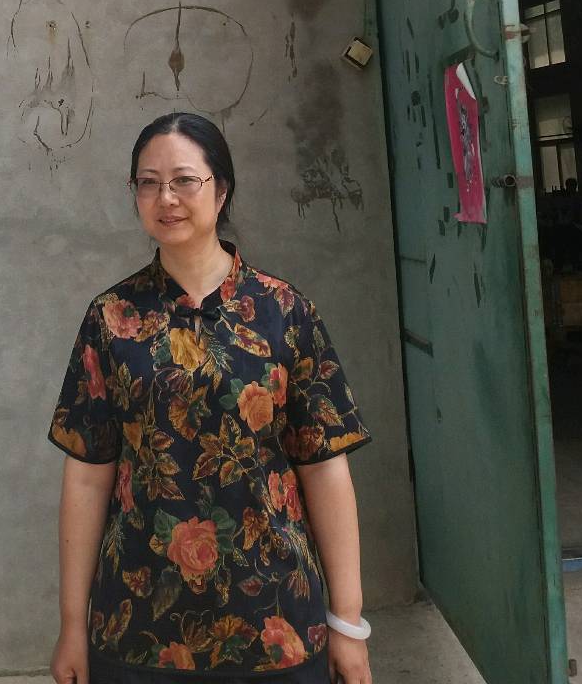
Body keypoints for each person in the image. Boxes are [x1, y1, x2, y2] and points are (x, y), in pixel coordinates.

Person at [48, 114, 372, 684]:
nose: (166, 198)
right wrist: (73, 625)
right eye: (148, 183)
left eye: (183, 180)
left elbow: (325, 471)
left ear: (221, 191)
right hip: (137, 626)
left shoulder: (284, 312)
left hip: (277, 623)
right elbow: (87, 477)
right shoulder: (111, 318)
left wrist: (348, 624)